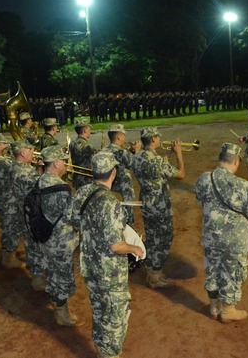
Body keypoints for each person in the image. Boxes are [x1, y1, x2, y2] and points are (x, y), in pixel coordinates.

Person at [195, 143, 248, 322]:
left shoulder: (204, 179)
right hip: (234, 239)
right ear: (235, 161)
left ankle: (214, 306)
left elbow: (200, 200)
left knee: (212, 269)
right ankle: (228, 310)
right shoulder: (241, 184)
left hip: (211, 235)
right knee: (232, 271)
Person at [71, 151, 144, 358]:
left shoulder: (83, 192)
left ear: (93, 171)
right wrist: (135, 248)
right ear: (114, 172)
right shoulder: (111, 203)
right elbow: (116, 246)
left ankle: (101, 345)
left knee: (99, 306)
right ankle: (110, 354)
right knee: (115, 314)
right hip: (109, 271)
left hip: (90, 264)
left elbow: (76, 224)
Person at [132, 126, 185, 288]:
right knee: (164, 239)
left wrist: (168, 154)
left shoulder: (138, 156)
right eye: (158, 137)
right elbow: (181, 174)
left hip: (147, 204)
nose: (160, 140)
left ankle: (150, 268)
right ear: (153, 139)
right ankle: (155, 275)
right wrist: (179, 154)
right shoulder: (156, 161)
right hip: (160, 205)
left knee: (152, 236)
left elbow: (159, 167)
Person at [37, 145, 82, 326]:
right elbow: (73, 218)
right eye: (63, 160)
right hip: (61, 241)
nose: (65, 163)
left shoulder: (41, 180)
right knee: (63, 277)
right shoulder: (60, 188)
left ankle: (56, 301)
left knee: (53, 272)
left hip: (46, 237)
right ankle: (62, 313)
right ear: (55, 163)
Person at [0, 133, 25, 269]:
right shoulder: (1, 161)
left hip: (1, 198)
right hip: (8, 200)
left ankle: (8, 255)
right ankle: (8, 258)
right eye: (3, 144)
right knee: (11, 228)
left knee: (8, 226)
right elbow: (20, 167)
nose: (7, 145)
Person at [10, 139, 45, 290]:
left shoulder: (18, 167)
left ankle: (36, 272)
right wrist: (46, 170)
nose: (33, 152)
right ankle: (37, 279)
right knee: (34, 245)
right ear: (23, 153)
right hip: (31, 214)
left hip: (24, 211)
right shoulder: (24, 172)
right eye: (31, 150)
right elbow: (41, 187)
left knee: (31, 244)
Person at [104, 123, 142, 227]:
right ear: (118, 137)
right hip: (123, 188)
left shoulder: (105, 150)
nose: (124, 138)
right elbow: (136, 165)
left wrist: (130, 151)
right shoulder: (120, 152)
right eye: (123, 135)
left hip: (110, 187)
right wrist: (137, 150)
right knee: (127, 213)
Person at [69, 118, 95, 190]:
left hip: (77, 177)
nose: (90, 131)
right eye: (89, 128)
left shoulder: (72, 143)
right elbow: (90, 165)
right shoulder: (88, 145)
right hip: (86, 179)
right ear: (85, 130)